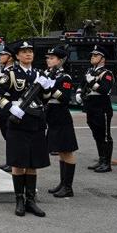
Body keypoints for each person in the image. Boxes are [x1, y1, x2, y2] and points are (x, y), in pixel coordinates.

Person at [0, 41, 49, 217]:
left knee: (33, 163)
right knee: (18, 163)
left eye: (30, 51)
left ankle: (30, 200)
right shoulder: (10, 74)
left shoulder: (39, 73)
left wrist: (47, 87)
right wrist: (10, 106)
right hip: (18, 123)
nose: (28, 54)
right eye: (24, 52)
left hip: (36, 122)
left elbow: (45, 97)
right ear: (17, 56)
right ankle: (19, 200)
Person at [42, 46, 78, 198]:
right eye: (48, 58)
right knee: (60, 152)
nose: (48, 60)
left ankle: (68, 187)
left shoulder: (65, 78)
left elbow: (65, 98)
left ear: (60, 60)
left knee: (66, 151)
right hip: (51, 115)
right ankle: (62, 183)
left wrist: (51, 89)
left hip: (61, 115)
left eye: (52, 58)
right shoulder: (48, 75)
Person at [76, 45, 114, 173]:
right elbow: (81, 84)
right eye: (92, 55)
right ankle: (101, 159)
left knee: (105, 135)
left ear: (102, 58)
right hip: (90, 105)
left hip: (102, 106)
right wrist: (78, 92)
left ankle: (107, 163)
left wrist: (92, 82)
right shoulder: (90, 71)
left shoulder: (107, 73)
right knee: (96, 134)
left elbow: (105, 89)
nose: (92, 57)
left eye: (96, 55)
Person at [0, 46, 15, 172]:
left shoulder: (12, 71)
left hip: (7, 104)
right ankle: (10, 161)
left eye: (3, 55)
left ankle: (12, 162)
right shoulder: (2, 70)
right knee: (6, 135)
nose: (0, 57)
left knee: (10, 135)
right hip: (0, 105)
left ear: (10, 57)